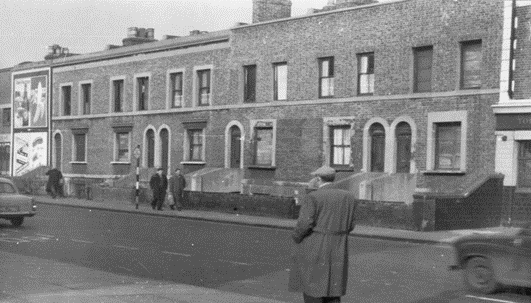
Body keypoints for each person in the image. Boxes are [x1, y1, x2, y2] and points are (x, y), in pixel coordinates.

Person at [288, 165, 358, 303]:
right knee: (333, 284)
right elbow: (351, 225)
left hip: (316, 244)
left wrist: (296, 237)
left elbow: (304, 224)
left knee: (313, 282)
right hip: (339, 244)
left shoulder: (313, 197)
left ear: (318, 178)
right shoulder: (349, 197)